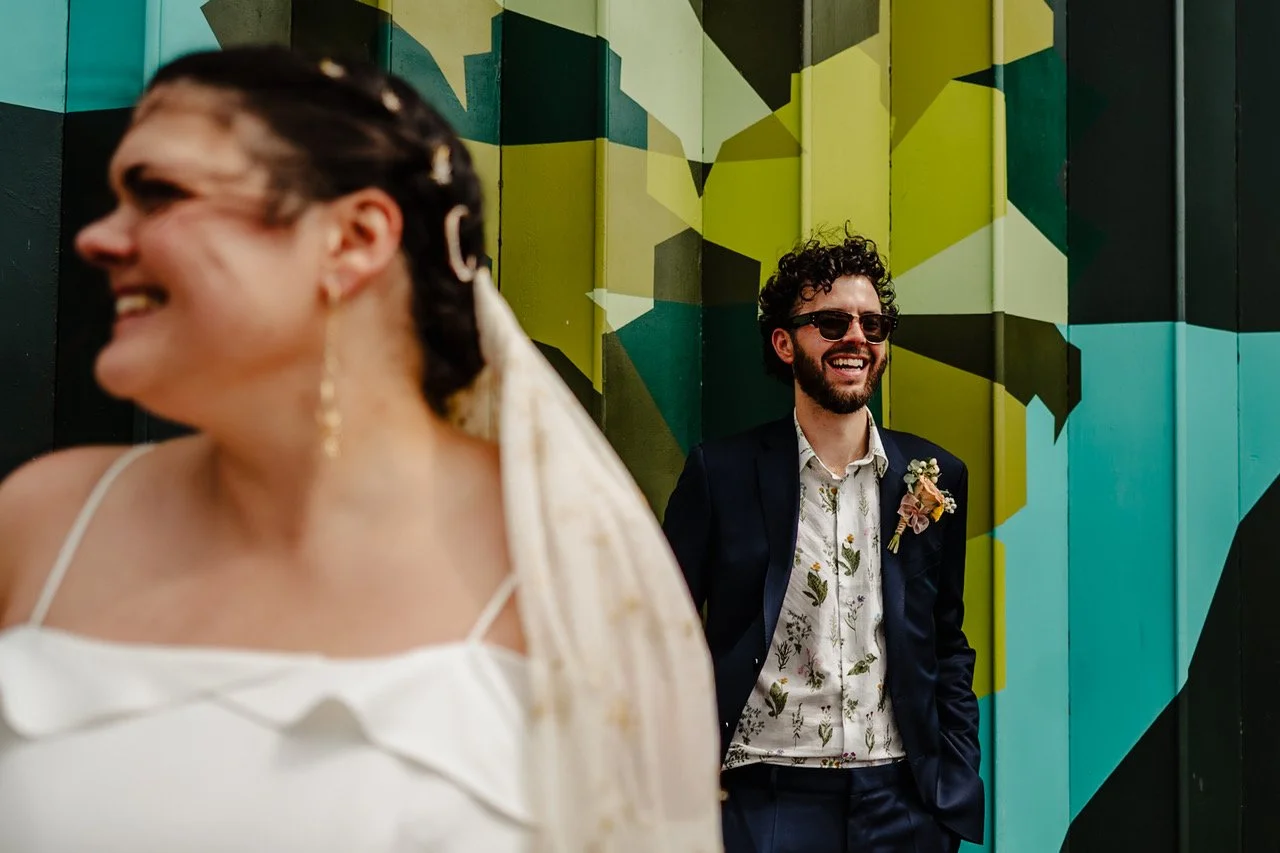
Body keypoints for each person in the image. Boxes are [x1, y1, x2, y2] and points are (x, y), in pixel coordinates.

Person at [0, 46, 723, 853]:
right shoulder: (38, 520)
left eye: (158, 194)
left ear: (353, 237)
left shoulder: (565, 564)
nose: (98, 239)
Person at [662, 231, 984, 852]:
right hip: (762, 797)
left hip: (903, 802)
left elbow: (946, 643)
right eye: (832, 322)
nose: (857, 338)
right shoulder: (719, 475)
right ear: (785, 343)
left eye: (873, 324)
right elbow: (659, 634)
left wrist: (953, 779)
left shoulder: (938, 476)